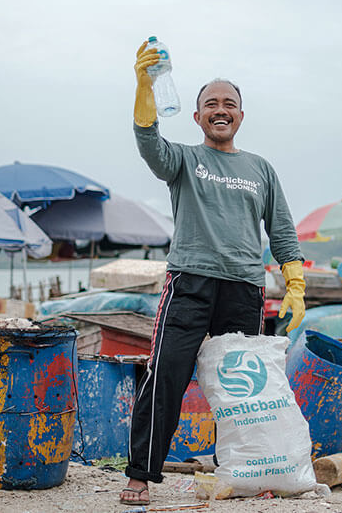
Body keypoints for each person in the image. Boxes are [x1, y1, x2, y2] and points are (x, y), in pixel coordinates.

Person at [119, 40, 306, 506]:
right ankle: (141, 476)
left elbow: (281, 231)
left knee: (244, 390)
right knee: (166, 376)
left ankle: (244, 472)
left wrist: (295, 284)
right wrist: (145, 87)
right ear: (197, 116)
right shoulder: (184, 159)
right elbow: (149, 144)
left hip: (244, 288)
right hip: (190, 282)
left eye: (229, 104)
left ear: (241, 115)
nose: (220, 111)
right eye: (211, 105)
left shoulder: (260, 168)